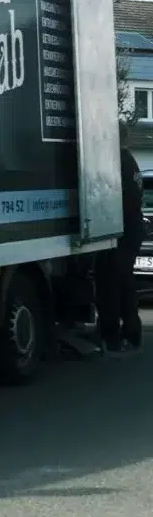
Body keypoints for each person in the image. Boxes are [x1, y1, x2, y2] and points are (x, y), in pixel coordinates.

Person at [94, 134, 145, 353]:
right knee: (123, 281)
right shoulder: (129, 161)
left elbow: (115, 198)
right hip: (130, 229)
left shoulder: (119, 162)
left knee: (111, 282)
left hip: (121, 230)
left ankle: (113, 333)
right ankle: (130, 332)